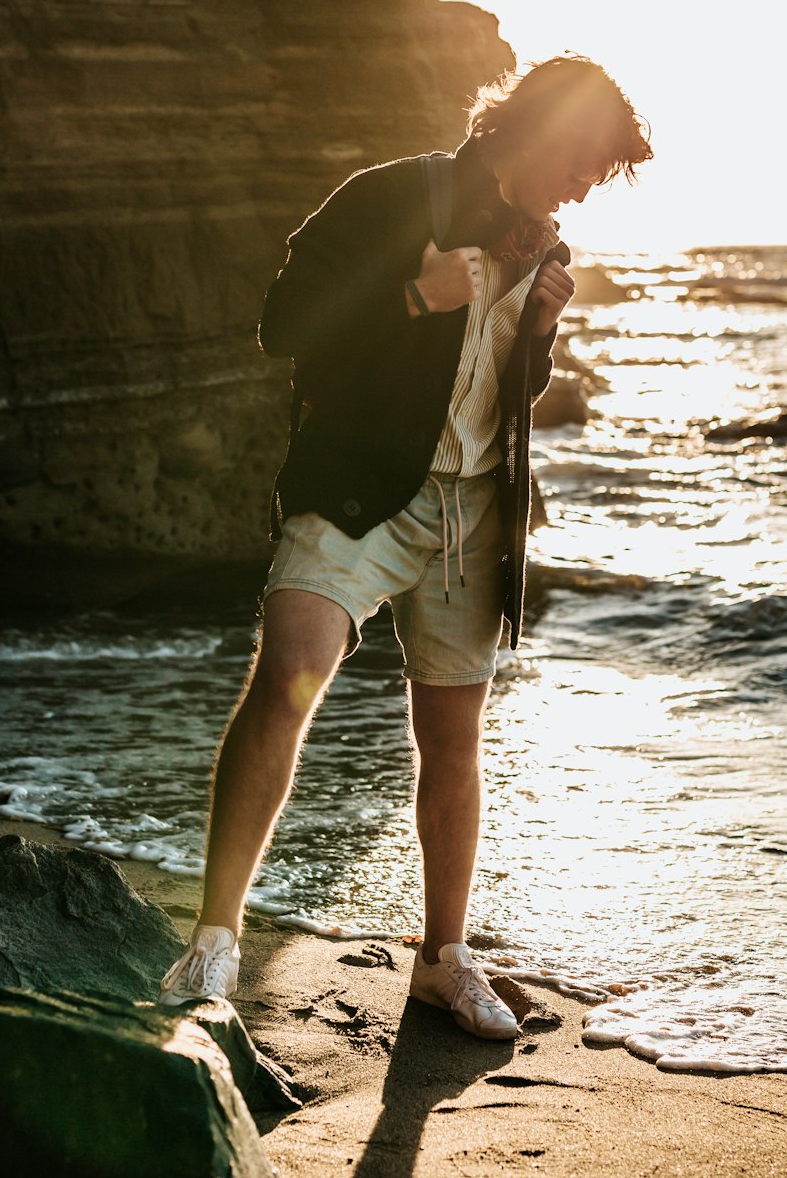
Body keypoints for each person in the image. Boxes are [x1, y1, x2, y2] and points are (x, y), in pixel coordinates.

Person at [158, 55, 652, 1038]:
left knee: (453, 742)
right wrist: (411, 298)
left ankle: (443, 959)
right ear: (538, 126)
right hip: (359, 489)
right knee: (289, 672)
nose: (583, 185)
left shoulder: (542, 244)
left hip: (475, 512)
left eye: (597, 175)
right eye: (583, 161)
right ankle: (215, 940)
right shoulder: (392, 196)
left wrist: (540, 334)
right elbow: (280, 326)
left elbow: (493, 386)